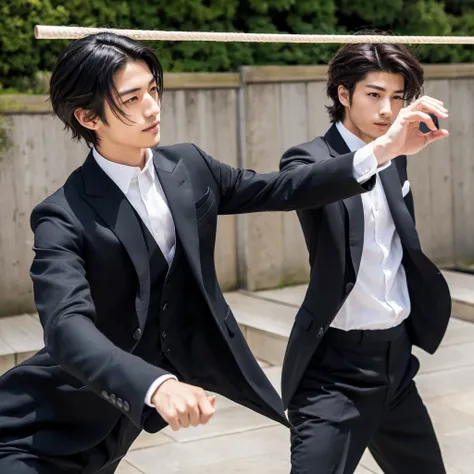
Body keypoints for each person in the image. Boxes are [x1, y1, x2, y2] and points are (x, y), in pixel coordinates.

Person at [0, 32, 447, 473]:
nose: (153, 107)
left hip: (114, 433)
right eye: (132, 98)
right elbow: (66, 328)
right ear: (88, 117)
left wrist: (381, 150)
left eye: (153, 90)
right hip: (36, 430)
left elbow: (279, 187)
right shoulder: (62, 216)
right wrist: (154, 385)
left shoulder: (188, 168)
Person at [280, 40, 451, 473]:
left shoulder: (397, 157)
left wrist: (392, 152)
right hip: (335, 373)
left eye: (397, 98)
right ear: (343, 94)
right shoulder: (306, 159)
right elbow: (305, 185)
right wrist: (384, 151)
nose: (387, 111)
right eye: (374, 95)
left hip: (395, 361)